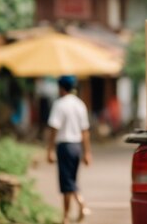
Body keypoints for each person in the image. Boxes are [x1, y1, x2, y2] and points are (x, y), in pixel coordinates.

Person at [47, 76, 92, 224]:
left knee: (67, 182)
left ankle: (79, 206)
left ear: (61, 88)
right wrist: (87, 152)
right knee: (70, 180)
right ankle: (67, 215)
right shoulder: (80, 105)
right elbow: (85, 131)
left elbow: (54, 128)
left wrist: (50, 149)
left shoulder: (59, 105)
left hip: (64, 146)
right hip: (76, 147)